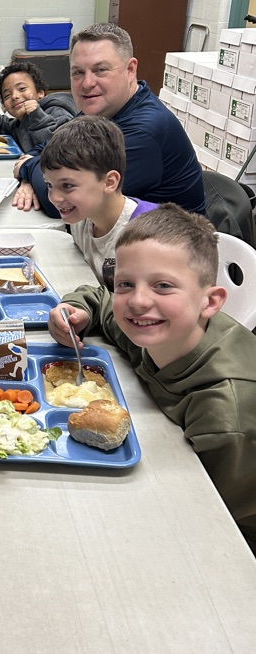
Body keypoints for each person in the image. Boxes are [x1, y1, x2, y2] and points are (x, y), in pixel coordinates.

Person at [48, 204, 256, 554]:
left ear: (211, 302)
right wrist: (76, 307)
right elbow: (101, 299)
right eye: (126, 283)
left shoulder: (223, 412)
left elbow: (220, 522)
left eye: (163, 285)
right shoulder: (157, 327)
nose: (138, 301)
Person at [12, 23, 206, 218]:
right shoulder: (102, 109)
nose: (87, 84)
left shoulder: (143, 132)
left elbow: (64, 204)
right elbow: (48, 149)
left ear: (130, 70)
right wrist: (31, 178)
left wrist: (28, 169)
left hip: (168, 244)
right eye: (78, 72)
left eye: (101, 70)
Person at [40, 116, 157, 286]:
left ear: (109, 182)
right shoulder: (82, 216)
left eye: (67, 185)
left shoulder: (146, 241)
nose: (54, 197)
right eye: (49, 185)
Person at [0, 61, 76, 152]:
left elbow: (60, 148)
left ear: (40, 92)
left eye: (22, 89)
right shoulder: (21, 123)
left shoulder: (59, 112)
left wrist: (37, 117)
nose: (14, 96)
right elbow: (1, 127)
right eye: (7, 95)